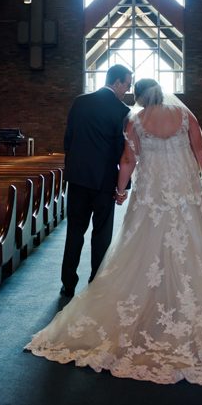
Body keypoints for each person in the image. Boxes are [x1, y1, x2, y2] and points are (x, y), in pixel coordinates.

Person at [26, 78, 202, 387]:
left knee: (141, 251)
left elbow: (128, 160)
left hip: (151, 198)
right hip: (184, 197)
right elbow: (201, 149)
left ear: (139, 96)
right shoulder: (185, 115)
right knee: (190, 251)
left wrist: (120, 191)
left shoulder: (135, 118)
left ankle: (144, 308)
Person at [59, 64, 132, 298]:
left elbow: (68, 140)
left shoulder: (80, 102)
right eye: (126, 85)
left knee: (74, 231)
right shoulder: (122, 111)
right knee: (101, 234)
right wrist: (123, 187)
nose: (127, 91)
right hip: (104, 181)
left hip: (78, 178)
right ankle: (96, 282)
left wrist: (73, 166)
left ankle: (68, 283)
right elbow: (124, 152)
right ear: (118, 82)